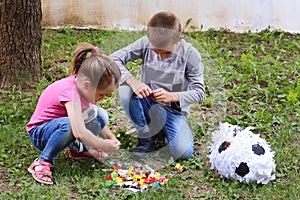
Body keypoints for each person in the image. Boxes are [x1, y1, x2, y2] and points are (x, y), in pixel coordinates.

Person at [110, 11, 205, 160]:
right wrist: (134, 82)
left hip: (173, 112)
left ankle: (162, 131)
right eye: (156, 52)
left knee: (183, 153)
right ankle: (146, 138)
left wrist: (172, 96)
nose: (160, 57)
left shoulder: (190, 55)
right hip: (147, 102)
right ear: (148, 39)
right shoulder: (144, 44)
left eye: (167, 53)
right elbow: (113, 59)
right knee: (125, 89)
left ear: (179, 40)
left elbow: (199, 92)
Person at [26, 42, 121, 185]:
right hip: (41, 133)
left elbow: (94, 117)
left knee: (99, 113)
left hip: (64, 126)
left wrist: (111, 137)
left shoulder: (87, 90)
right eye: (102, 94)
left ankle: (79, 151)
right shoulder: (70, 92)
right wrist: (102, 144)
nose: (103, 98)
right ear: (87, 84)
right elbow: (79, 132)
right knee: (71, 125)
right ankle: (42, 162)